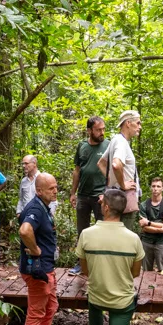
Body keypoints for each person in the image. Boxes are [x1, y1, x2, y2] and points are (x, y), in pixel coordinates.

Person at [75, 188, 144, 325]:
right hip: (122, 300)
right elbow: (135, 273)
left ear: (105, 207)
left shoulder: (87, 234)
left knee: (94, 302)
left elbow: (85, 269)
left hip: (97, 295)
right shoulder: (133, 239)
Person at [18, 173, 59, 325]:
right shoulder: (35, 209)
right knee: (36, 312)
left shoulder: (43, 207)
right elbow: (25, 230)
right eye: (51, 188)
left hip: (47, 267)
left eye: (56, 187)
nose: (55, 191)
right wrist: (35, 250)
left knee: (51, 306)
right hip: (37, 270)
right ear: (39, 191)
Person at [69, 115, 109, 275]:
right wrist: (73, 193)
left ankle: (100, 265)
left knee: (103, 231)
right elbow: (77, 171)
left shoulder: (108, 145)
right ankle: (81, 264)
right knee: (82, 232)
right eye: (98, 130)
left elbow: (112, 171)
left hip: (101, 197)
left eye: (103, 129)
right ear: (89, 131)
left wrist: (106, 193)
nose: (102, 132)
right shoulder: (82, 146)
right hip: (83, 196)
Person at [98, 110, 141, 232]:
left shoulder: (116, 140)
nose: (140, 127)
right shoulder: (121, 142)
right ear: (128, 123)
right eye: (138, 123)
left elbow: (101, 163)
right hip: (123, 200)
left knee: (111, 233)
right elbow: (116, 165)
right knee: (123, 236)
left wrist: (112, 182)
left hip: (114, 197)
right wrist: (122, 185)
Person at [138, 177, 163, 273]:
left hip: (162, 242)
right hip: (146, 242)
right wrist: (160, 229)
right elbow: (144, 228)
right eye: (153, 186)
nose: (155, 188)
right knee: (145, 273)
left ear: (162, 188)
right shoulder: (144, 205)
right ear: (151, 187)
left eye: (158, 186)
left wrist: (149, 223)